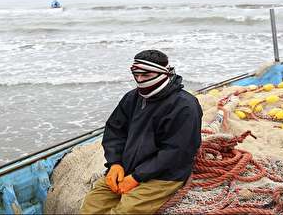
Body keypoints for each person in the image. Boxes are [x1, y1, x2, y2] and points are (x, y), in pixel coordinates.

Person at [80, 50, 202, 214]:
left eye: (146, 75)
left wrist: (137, 177)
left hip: (163, 175)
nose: (140, 80)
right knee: (92, 204)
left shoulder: (185, 106)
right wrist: (115, 163)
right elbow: (115, 131)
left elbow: (176, 152)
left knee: (126, 210)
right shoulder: (131, 98)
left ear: (164, 73)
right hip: (127, 167)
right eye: (136, 74)